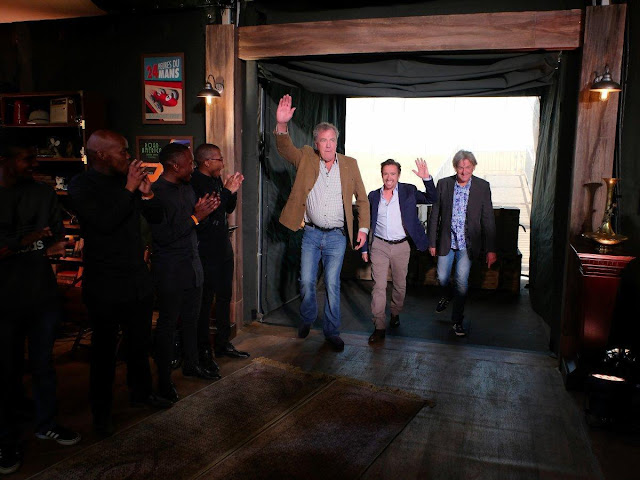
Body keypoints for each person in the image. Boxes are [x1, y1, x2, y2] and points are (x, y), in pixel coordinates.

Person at [68, 130, 172, 437]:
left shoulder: (126, 181)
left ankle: (142, 392)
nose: (128, 156)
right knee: (103, 351)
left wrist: (147, 194)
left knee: (139, 343)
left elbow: (157, 217)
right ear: (101, 154)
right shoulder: (81, 185)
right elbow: (104, 223)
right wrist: (129, 189)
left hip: (136, 277)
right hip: (104, 281)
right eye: (122, 151)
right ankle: (102, 413)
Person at [1, 144, 80, 475]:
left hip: (41, 294)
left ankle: (46, 424)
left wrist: (34, 243)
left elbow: (55, 239)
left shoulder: (43, 193)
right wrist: (26, 240)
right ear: (4, 160)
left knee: (44, 365)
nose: (35, 163)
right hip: (4, 299)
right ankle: (6, 440)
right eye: (27, 158)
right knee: (6, 369)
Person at [274, 94, 370, 352]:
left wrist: (362, 229)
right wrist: (282, 125)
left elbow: (362, 199)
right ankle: (307, 318)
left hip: (337, 236)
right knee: (306, 282)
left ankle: (332, 331)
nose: (328, 145)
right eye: (323, 141)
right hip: (311, 234)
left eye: (332, 140)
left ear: (337, 142)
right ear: (316, 143)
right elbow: (285, 149)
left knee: (332, 284)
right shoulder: (306, 157)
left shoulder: (350, 165)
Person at [150, 142, 221, 403]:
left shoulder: (187, 188)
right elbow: (164, 236)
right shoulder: (156, 194)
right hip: (170, 270)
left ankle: (192, 364)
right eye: (189, 163)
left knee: (192, 320)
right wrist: (195, 217)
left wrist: (206, 210)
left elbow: (196, 223)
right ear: (174, 166)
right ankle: (164, 380)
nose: (193, 166)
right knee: (168, 324)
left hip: (193, 266)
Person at [361, 158, 437, 343]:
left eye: (393, 174)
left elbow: (432, 198)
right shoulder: (373, 196)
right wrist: (364, 248)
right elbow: (365, 222)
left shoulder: (408, 191)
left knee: (400, 285)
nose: (389, 177)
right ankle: (379, 326)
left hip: (402, 246)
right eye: (386, 174)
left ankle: (395, 312)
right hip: (379, 245)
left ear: (398, 175)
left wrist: (426, 178)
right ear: (382, 175)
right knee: (379, 287)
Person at [427, 149, 497, 337]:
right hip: (446, 241)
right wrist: (432, 242)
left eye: (468, 167)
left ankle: (457, 321)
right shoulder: (444, 184)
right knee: (442, 277)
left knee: (461, 282)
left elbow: (488, 218)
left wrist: (491, 249)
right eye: (460, 167)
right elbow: (435, 214)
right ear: (455, 167)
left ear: (473, 167)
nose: (464, 171)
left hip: (468, 245)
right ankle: (447, 294)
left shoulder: (482, 187)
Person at [191, 143, 249, 363]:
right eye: (220, 159)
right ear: (207, 162)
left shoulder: (215, 179)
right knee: (205, 302)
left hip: (223, 246)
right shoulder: (195, 182)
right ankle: (203, 349)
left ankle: (223, 343)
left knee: (225, 296)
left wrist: (231, 191)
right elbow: (211, 210)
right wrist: (226, 191)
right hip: (206, 250)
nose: (223, 163)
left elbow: (227, 208)